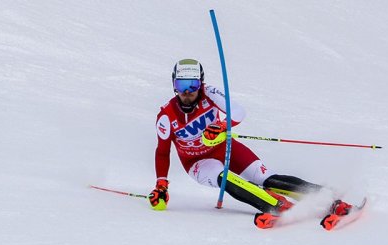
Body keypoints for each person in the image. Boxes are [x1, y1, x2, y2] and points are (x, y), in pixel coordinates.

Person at [149, 58, 351, 228]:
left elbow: (238, 112)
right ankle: (278, 206)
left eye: (192, 85)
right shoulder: (166, 116)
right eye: (181, 86)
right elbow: (162, 152)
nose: (187, 92)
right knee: (226, 178)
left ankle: (326, 197)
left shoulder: (209, 94)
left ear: (200, 84)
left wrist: (221, 126)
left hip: (224, 147)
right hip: (198, 163)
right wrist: (161, 185)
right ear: (174, 85)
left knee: (266, 178)